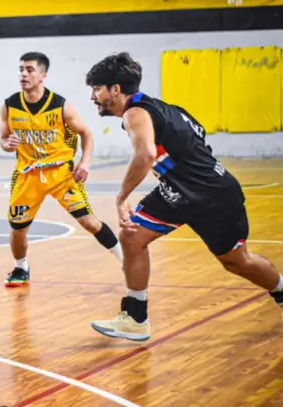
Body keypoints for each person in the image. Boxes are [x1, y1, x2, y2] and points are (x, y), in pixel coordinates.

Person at [85, 52, 283, 341]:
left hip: (212, 194)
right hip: (184, 192)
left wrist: (121, 196)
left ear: (115, 89)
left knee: (237, 262)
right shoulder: (167, 109)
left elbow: (145, 155)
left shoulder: (134, 113)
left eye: (96, 89)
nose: (92, 96)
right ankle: (136, 318)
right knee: (131, 236)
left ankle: (280, 289)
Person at [0, 52, 123, 287]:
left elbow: (86, 133)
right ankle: (21, 268)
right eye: (21, 70)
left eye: (29, 70)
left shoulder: (60, 106)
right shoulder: (9, 105)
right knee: (18, 229)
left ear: (43, 76)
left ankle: (125, 260)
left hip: (61, 174)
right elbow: (3, 139)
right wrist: (7, 144)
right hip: (27, 176)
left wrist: (84, 162)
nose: (23, 74)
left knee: (89, 222)